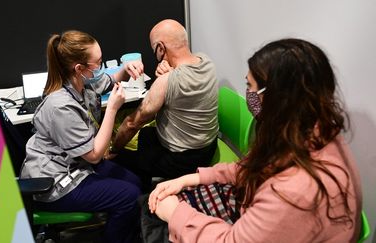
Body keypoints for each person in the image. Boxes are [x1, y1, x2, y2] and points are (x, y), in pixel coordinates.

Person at [148, 38, 363, 242]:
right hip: (257, 210)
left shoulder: (294, 193)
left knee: (154, 219)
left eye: (252, 87)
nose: (249, 94)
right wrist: (192, 179)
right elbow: (257, 166)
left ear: (278, 97)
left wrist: (175, 213)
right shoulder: (309, 131)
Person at [19, 30, 144, 243]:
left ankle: (122, 232)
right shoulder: (61, 106)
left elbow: (109, 80)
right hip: (55, 181)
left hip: (77, 163)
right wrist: (112, 109)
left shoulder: (82, 81)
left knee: (135, 182)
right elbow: (94, 155)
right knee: (128, 197)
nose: (101, 67)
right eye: (98, 62)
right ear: (80, 68)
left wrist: (125, 70)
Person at [107, 19, 219, 190]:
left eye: (155, 50)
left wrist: (114, 149)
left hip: (182, 159)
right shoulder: (207, 61)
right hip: (209, 146)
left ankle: (145, 196)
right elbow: (184, 86)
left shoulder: (167, 81)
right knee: (146, 135)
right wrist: (170, 74)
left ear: (160, 48)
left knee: (124, 155)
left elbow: (131, 123)